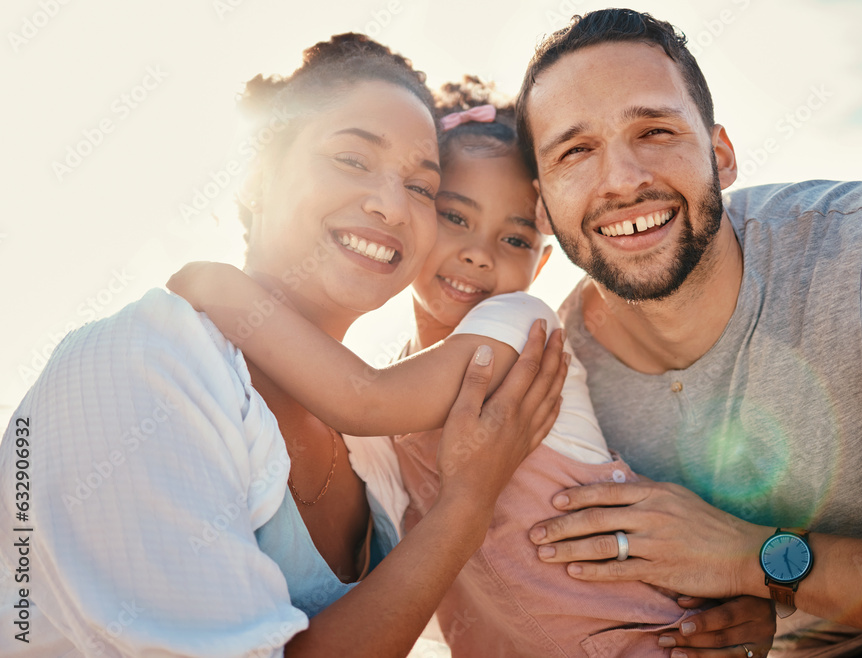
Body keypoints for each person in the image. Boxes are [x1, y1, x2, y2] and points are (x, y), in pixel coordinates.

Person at [0, 34, 570, 657]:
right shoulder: (141, 363)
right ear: (256, 174)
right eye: (353, 160)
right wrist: (466, 506)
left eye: (421, 187)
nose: (390, 205)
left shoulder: (377, 454)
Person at [166, 79, 778, 657]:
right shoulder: (404, 378)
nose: (478, 255)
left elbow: (362, 400)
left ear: (539, 267)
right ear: (418, 212)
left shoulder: (517, 323)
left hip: (634, 637)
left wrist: (223, 289)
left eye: (514, 240)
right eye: (456, 217)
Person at [512, 8, 862, 657]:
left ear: (721, 155)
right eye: (576, 151)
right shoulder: (556, 377)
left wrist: (757, 560)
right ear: (543, 205)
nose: (624, 180)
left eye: (654, 130)